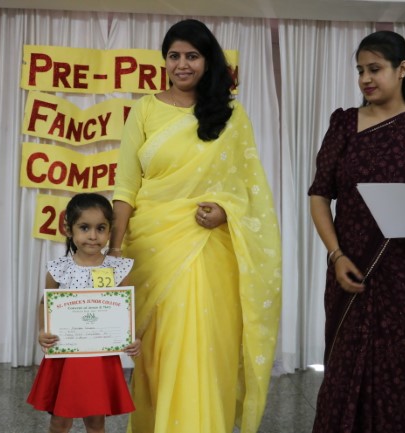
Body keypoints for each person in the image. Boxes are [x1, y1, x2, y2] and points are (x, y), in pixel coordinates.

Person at [109, 19, 282, 433]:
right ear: (164, 61)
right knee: (160, 351)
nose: (182, 64)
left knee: (205, 348)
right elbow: (126, 186)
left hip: (210, 248)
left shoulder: (231, 114)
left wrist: (225, 211)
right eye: (174, 56)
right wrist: (113, 253)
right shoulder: (145, 110)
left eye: (192, 56)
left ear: (208, 61)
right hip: (153, 249)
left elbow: (249, 188)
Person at [308, 30, 405, 433]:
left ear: (402, 69)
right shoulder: (344, 124)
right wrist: (336, 255)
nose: (365, 78)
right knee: (340, 377)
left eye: (375, 68)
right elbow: (319, 195)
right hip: (349, 269)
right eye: (360, 70)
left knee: (396, 378)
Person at [27, 193, 141, 433]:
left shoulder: (118, 269)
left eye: (100, 228)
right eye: (84, 227)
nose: (93, 236)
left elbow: (127, 309)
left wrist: (133, 337)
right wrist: (42, 331)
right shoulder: (59, 269)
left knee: (96, 422)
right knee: (59, 421)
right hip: (64, 357)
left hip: (100, 359)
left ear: (109, 230)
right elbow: (45, 302)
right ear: (69, 229)